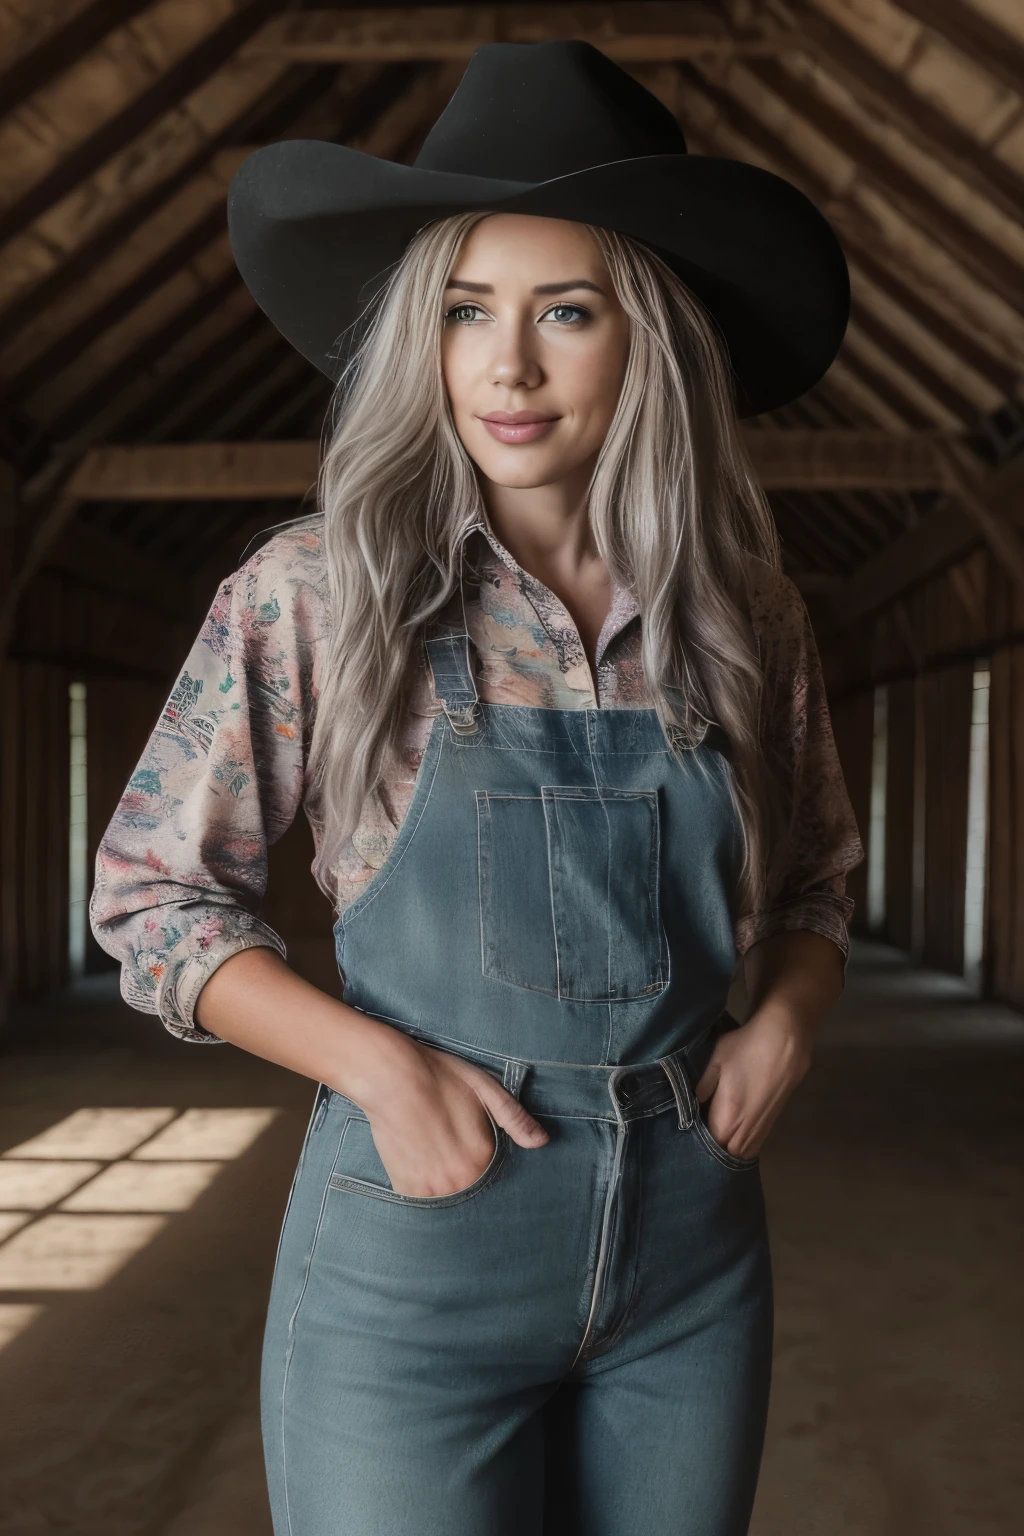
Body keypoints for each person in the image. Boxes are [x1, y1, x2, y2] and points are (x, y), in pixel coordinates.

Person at [90, 39, 864, 1536]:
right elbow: (150, 898)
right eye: (464, 311)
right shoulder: (316, 592)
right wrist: (372, 1069)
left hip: (693, 1242)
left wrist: (787, 1019)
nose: (506, 368)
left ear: (650, 338)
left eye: (564, 312)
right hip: (420, 1235)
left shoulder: (749, 615)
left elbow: (819, 880)